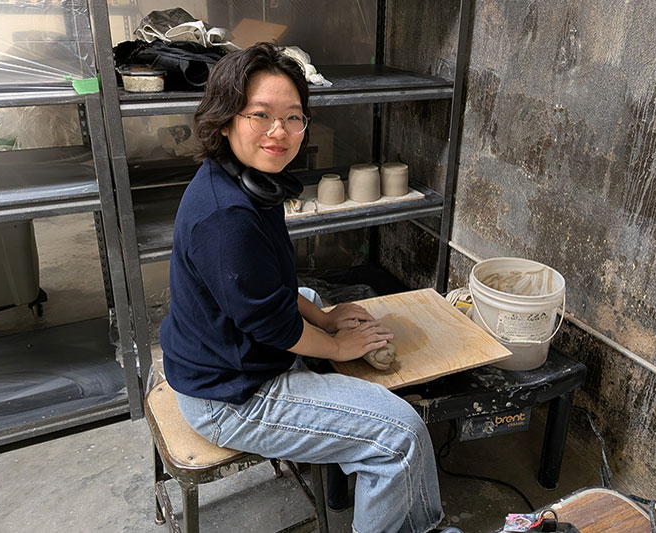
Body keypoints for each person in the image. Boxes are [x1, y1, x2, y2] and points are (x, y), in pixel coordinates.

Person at [160, 42, 445, 533]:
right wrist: (336, 343)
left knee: (315, 301)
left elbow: (269, 283)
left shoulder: (249, 179)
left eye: (294, 117)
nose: (280, 132)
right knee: (400, 435)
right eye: (261, 115)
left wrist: (327, 318)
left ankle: (422, 526)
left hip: (229, 350)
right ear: (225, 120)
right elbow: (272, 322)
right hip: (232, 395)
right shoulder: (227, 217)